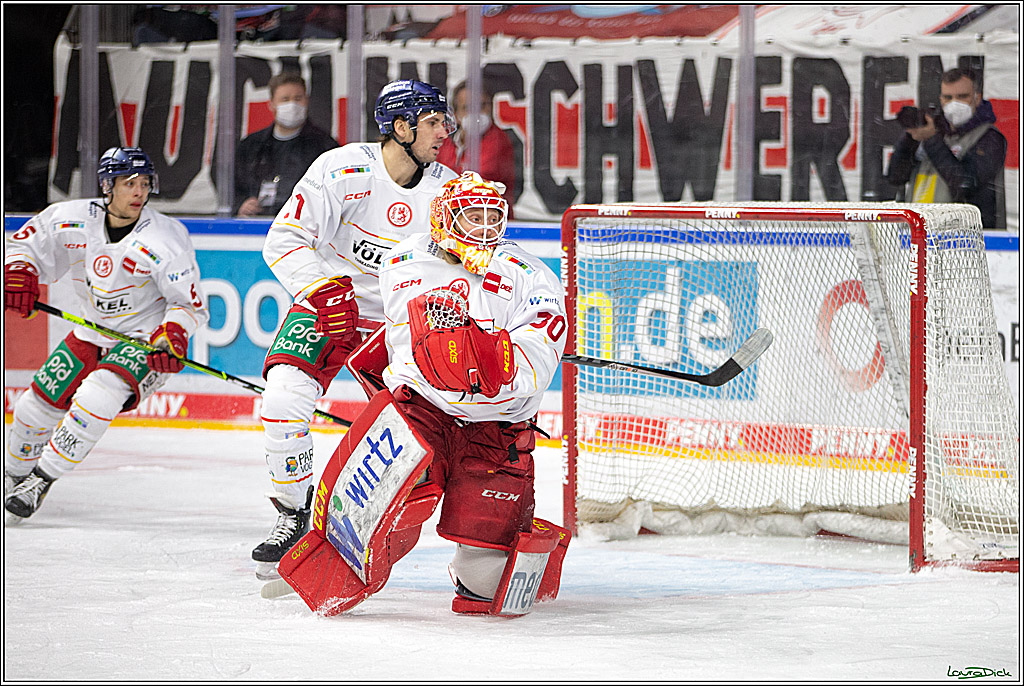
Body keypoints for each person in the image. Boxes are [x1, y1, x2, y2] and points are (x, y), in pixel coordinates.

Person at [274, 172, 571, 616]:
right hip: (422, 416)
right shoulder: (404, 261)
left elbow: (534, 365)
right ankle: (333, 556)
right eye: (473, 216)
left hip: (495, 430)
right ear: (442, 219)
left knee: (488, 592)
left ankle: (499, 555)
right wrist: (459, 350)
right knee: (369, 519)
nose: (485, 228)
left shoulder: (532, 276)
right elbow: (408, 341)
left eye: (493, 217)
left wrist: (487, 355)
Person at [251, 79, 459, 580]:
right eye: (432, 122)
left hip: (398, 324)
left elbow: (465, 268)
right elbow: (284, 238)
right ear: (401, 127)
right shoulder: (341, 169)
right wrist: (321, 288)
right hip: (330, 306)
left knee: (423, 439)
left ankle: (379, 530)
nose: (443, 133)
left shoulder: (448, 188)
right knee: (282, 398)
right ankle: (293, 516)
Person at [4, 147, 209, 519]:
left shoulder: (166, 237)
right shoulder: (71, 219)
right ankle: (12, 477)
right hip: (91, 333)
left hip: (145, 339)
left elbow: (190, 305)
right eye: (129, 183)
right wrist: (20, 270)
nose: (139, 192)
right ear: (106, 185)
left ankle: (41, 478)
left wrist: (173, 335)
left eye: (145, 183)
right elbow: (24, 245)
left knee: (97, 395)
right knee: (33, 409)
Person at [886, 67, 1007, 229]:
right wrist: (910, 137)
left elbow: (966, 184)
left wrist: (931, 140)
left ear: (977, 99)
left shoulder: (990, 137)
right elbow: (895, 177)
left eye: (962, 97)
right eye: (948, 97)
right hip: (920, 233)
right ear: (941, 99)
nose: (954, 103)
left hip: (967, 239)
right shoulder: (935, 131)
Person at [235, 72, 339, 218]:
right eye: (285, 99)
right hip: (256, 226)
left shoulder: (325, 147)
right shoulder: (251, 145)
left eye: (298, 98)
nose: (292, 105)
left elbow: (336, 192)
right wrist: (241, 204)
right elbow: (232, 185)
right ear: (271, 104)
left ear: (306, 101)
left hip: (305, 227)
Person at [436, 81, 516, 217]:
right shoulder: (446, 143)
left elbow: (476, 181)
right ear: (456, 115)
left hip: (491, 223)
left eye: (482, 105)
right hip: (453, 222)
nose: (477, 113)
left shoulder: (498, 141)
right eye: (468, 107)